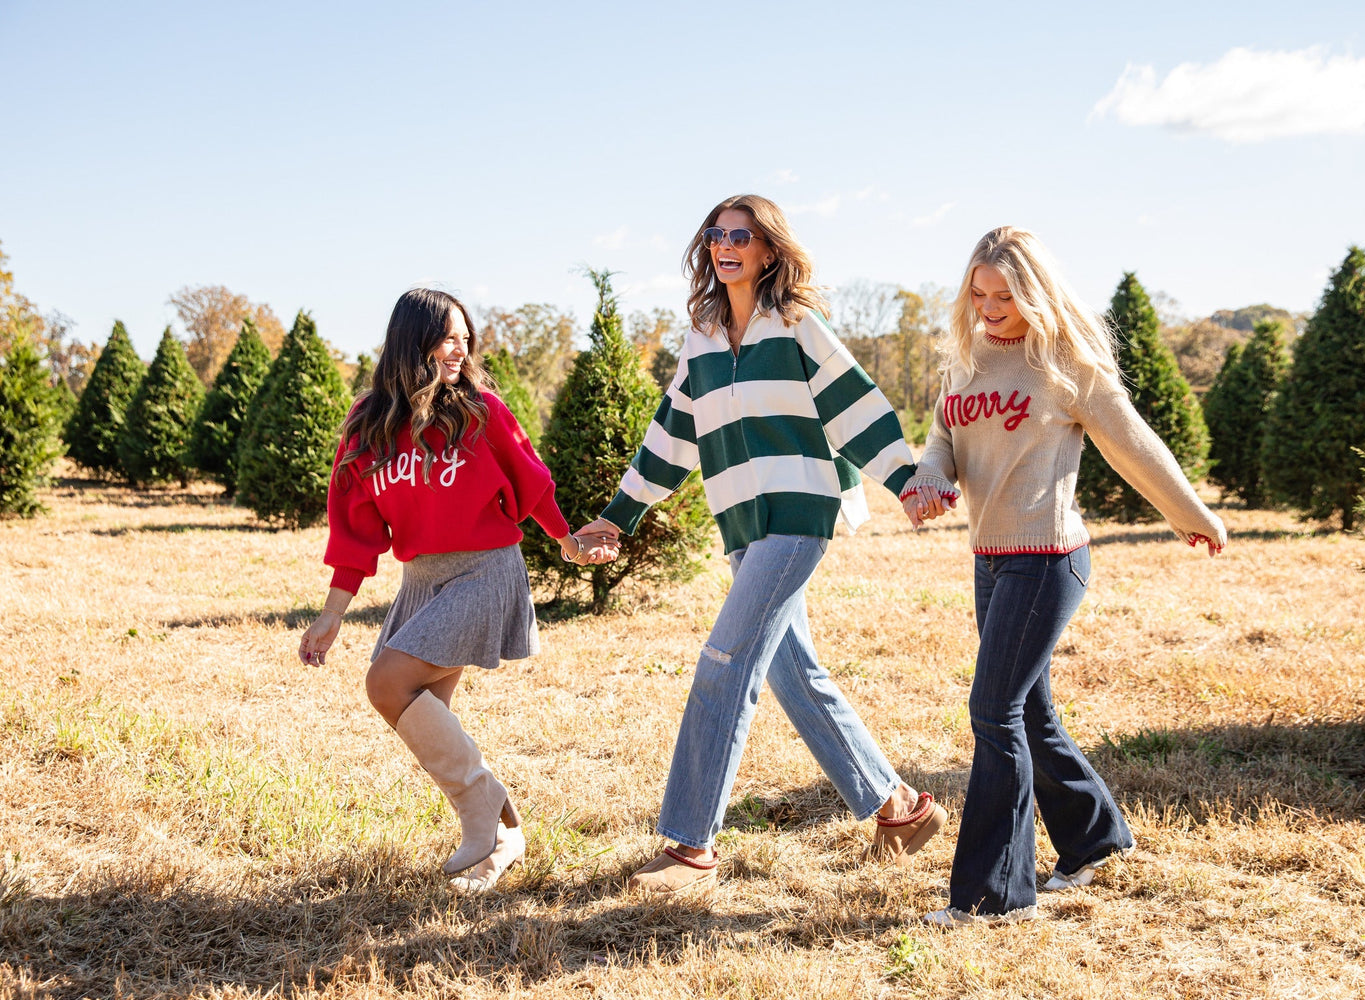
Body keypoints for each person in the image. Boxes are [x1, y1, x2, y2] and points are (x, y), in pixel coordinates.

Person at [572, 194, 947, 895]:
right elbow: (672, 433)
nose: (725, 245)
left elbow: (853, 402)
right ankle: (900, 808)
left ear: (769, 249)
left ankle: (691, 848)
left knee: (726, 661)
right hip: (742, 524)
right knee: (791, 672)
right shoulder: (704, 335)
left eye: (740, 234)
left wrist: (906, 478)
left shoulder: (795, 324)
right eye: (716, 235)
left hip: (801, 514)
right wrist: (616, 518)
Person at [902, 226, 1226, 926]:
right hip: (990, 560)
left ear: (1035, 292)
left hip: (1048, 559)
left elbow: (1133, 443)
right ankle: (1095, 840)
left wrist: (1190, 512)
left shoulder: (1066, 364)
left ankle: (993, 898)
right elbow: (941, 444)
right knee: (1032, 715)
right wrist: (928, 481)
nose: (990, 306)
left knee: (994, 713)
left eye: (1006, 294)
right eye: (979, 292)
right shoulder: (965, 361)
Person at [297, 288, 614, 893]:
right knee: (424, 708)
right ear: (411, 341)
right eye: (448, 338)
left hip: (485, 570)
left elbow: (534, 486)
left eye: (466, 340)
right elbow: (356, 529)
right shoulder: (366, 427)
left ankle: (484, 813)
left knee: (386, 684)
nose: (459, 350)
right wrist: (331, 614)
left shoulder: (482, 412)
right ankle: (501, 834)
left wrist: (571, 543)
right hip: (422, 580)